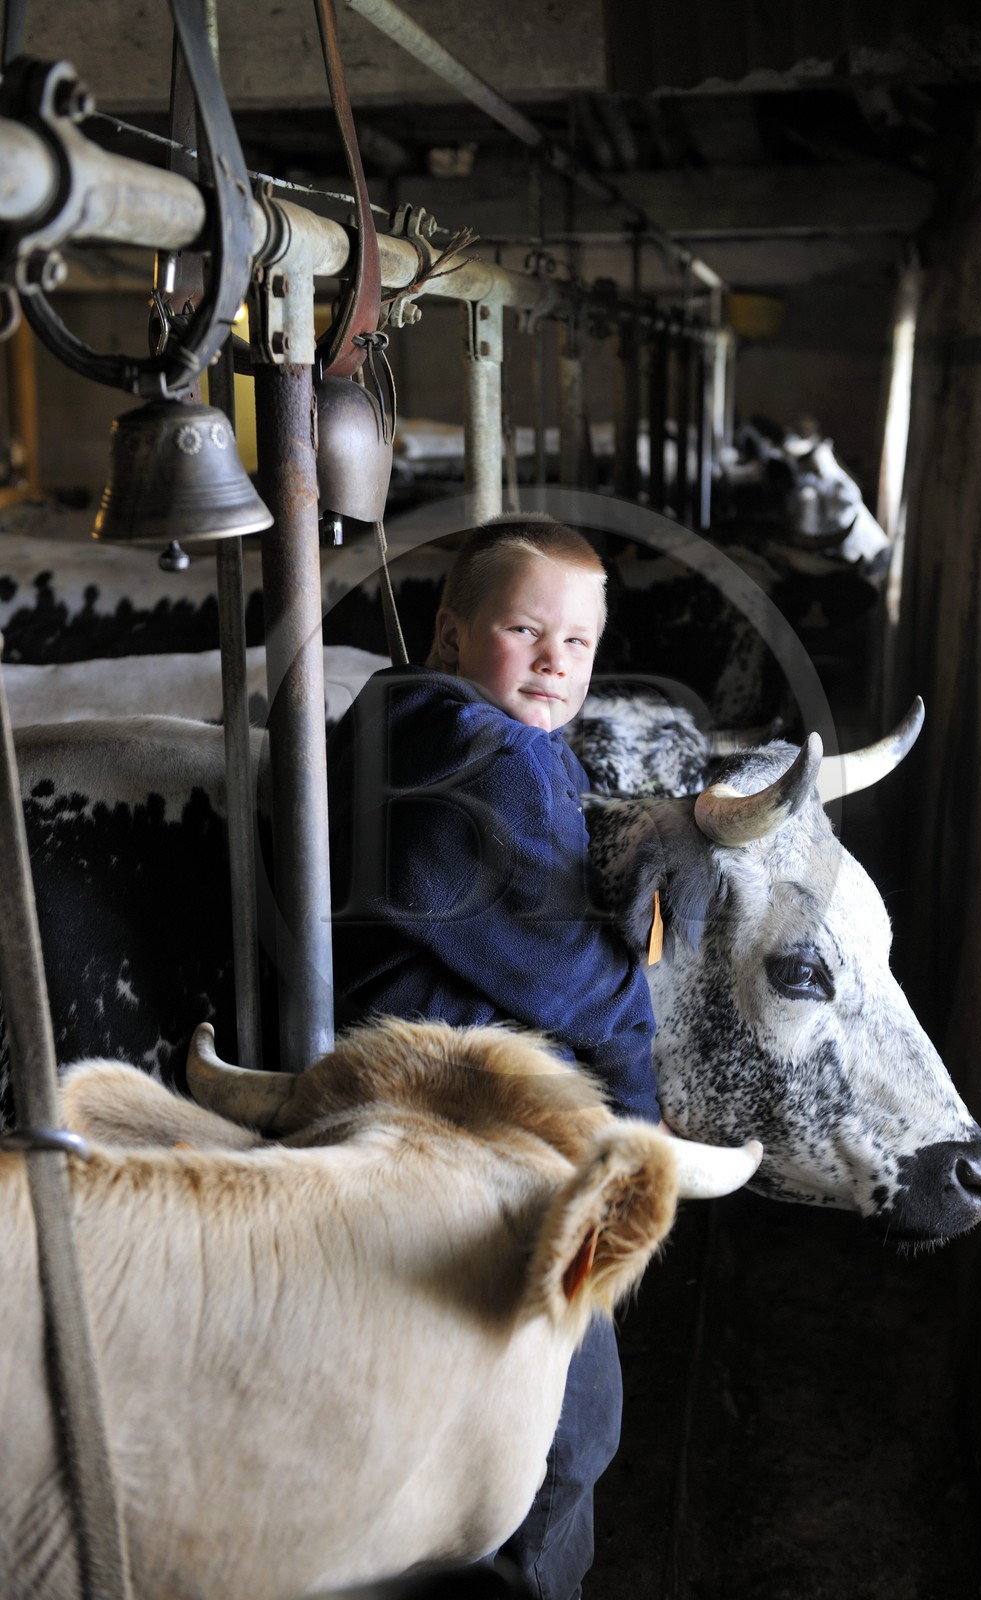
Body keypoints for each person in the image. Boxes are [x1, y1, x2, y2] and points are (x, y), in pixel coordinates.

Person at [327, 512, 661, 1600]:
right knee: (573, 1430)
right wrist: (646, 1134)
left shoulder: (396, 716)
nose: (555, 660)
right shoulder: (494, 758)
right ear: (449, 635)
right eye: (525, 629)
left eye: (578, 642)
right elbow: (586, 989)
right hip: (455, 1128)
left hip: (389, 1094)